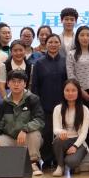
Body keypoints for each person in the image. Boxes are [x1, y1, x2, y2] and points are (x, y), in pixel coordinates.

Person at [0, 70, 45, 176]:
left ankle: (33, 163)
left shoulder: (33, 99)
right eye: (13, 81)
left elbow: (39, 120)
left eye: (19, 81)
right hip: (9, 137)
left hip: (27, 138)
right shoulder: (2, 104)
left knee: (35, 134)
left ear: (25, 84)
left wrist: (25, 129)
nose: (16, 84)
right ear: (8, 84)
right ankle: (8, 165)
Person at [31, 33, 68, 169]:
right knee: (46, 133)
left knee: (60, 133)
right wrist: (37, 104)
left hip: (62, 104)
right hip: (44, 104)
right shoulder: (39, 63)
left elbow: (69, 83)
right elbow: (35, 86)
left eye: (56, 42)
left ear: (60, 44)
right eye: (50, 42)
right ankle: (46, 160)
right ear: (45, 44)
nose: (53, 44)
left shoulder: (65, 61)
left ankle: (58, 160)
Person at [51, 79, 89, 177]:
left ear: (78, 92)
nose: (70, 93)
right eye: (67, 90)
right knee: (57, 140)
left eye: (73, 90)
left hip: (79, 141)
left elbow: (84, 133)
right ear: (63, 92)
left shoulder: (84, 109)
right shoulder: (58, 108)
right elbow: (55, 129)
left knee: (71, 162)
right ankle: (60, 166)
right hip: (64, 139)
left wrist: (75, 146)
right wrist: (61, 132)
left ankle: (72, 162)